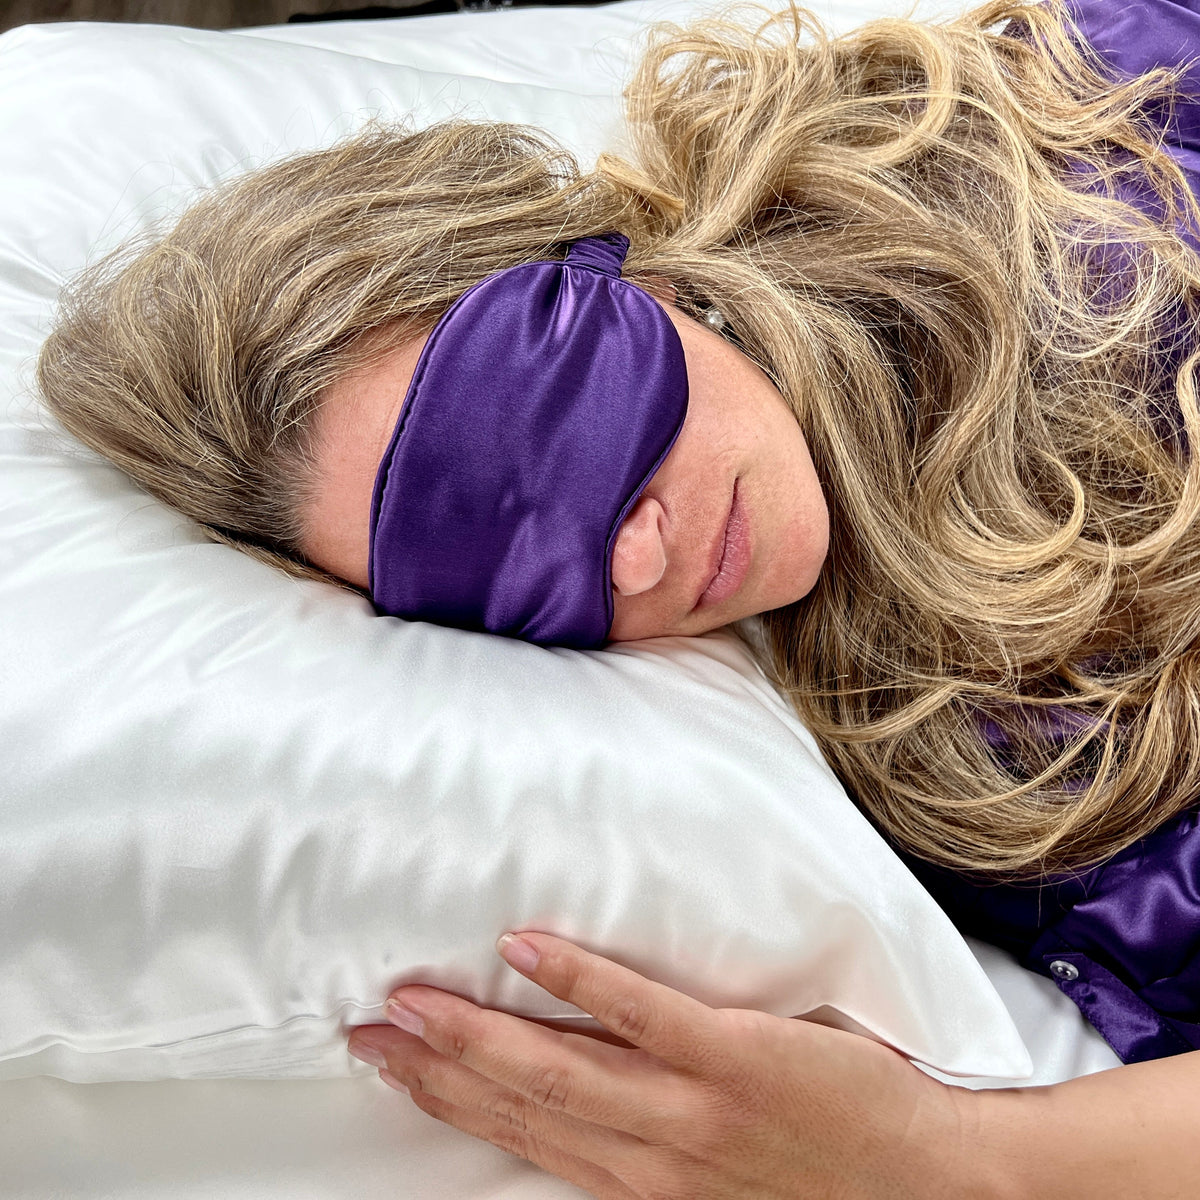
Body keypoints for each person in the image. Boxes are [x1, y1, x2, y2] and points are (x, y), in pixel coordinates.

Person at [33, 0, 1200, 1192]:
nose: (635, 560)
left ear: (600, 254)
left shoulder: (1079, 108)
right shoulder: (1002, 779)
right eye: (521, 576)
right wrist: (946, 1153)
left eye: (572, 429)